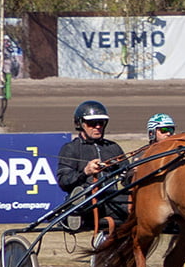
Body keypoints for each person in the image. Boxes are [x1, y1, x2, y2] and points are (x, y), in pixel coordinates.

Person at [54, 100, 129, 244]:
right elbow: (64, 181)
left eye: (101, 122)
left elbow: (127, 180)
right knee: (87, 196)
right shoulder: (71, 148)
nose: (98, 127)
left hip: (111, 201)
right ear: (80, 124)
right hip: (88, 199)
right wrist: (85, 172)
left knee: (133, 200)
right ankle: (74, 210)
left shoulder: (113, 148)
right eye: (92, 123)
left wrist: (134, 173)